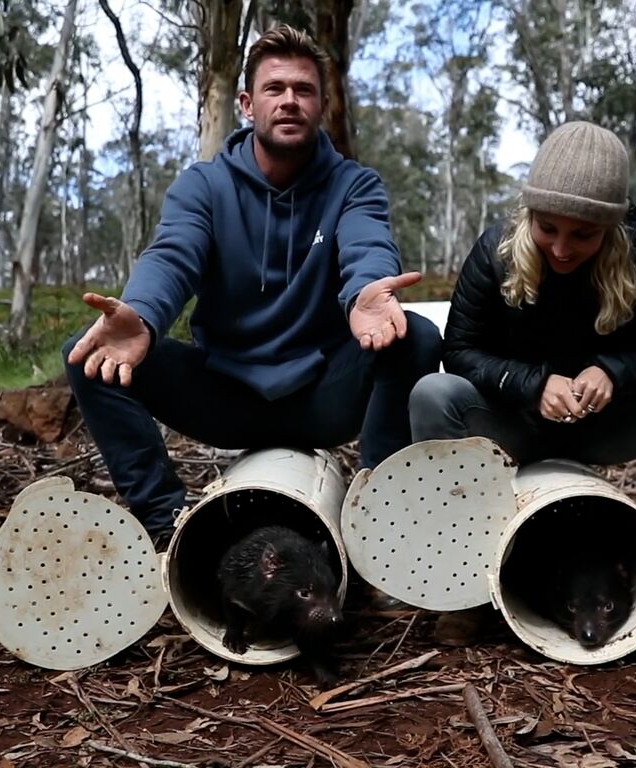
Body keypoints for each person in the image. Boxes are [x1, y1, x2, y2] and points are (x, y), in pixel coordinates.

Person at [63, 25, 442, 547]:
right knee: (89, 355)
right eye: (275, 88)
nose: (289, 101)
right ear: (247, 103)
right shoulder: (204, 186)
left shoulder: (354, 185)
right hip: (227, 394)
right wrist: (144, 313)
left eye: (304, 90)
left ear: (323, 105)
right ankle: (170, 529)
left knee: (416, 336)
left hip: (320, 395)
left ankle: (376, 524)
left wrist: (365, 293)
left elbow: (366, 246)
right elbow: (174, 254)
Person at [409, 121, 636, 641]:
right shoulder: (495, 252)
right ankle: (465, 576)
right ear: (528, 214)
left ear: (614, 225)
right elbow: (460, 352)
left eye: (583, 234)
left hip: (606, 425)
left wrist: (613, 371)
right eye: (547, 228)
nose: (561, 248)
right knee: (433, 393)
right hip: (515, 422)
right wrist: (533, 383)